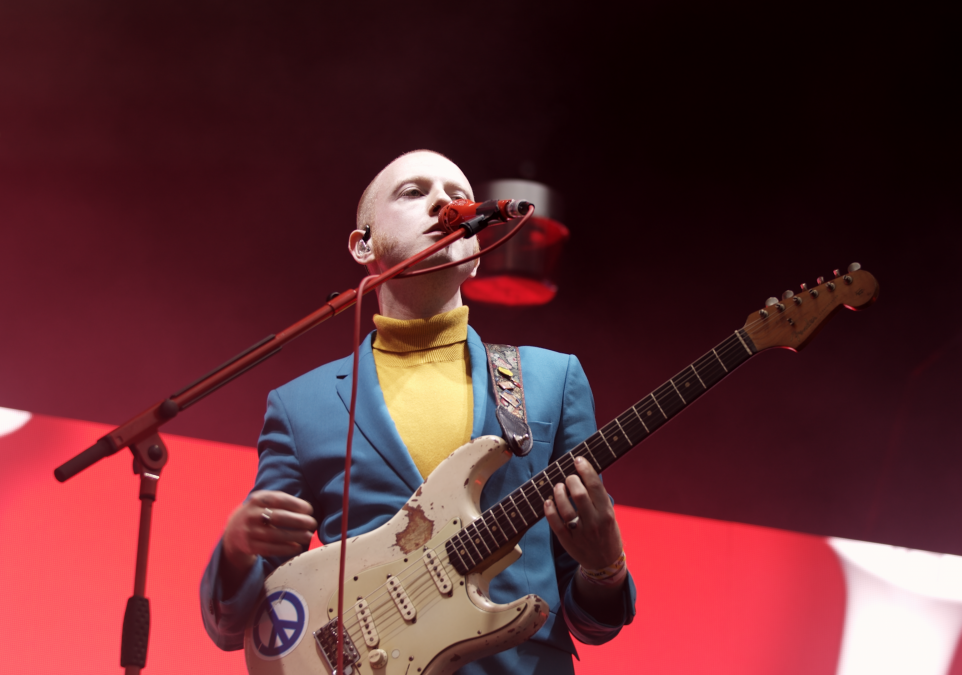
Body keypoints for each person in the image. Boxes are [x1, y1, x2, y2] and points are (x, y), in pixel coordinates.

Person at [199, 150, 636, 674]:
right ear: (363, 245)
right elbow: (235, 626)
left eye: (458, 197)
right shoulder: (300, 407)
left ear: (474, 250)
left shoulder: (551, 380)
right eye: (414, 192)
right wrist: (237, 548)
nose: (445, 205)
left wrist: (605, 569)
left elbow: (593, 619)